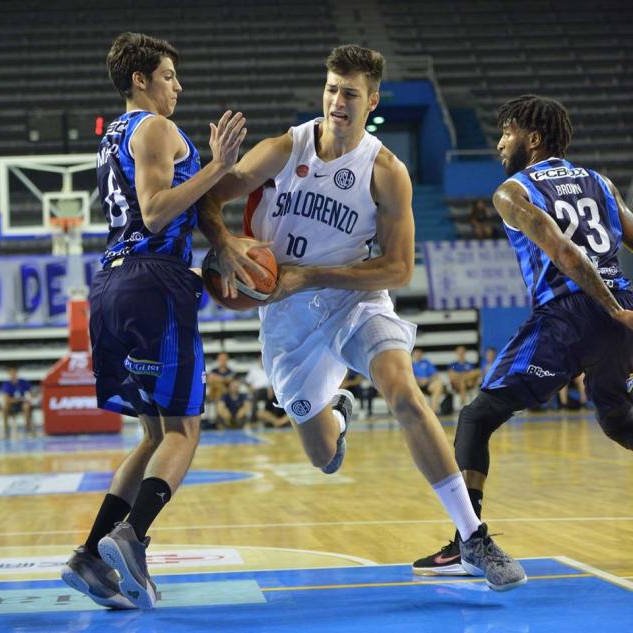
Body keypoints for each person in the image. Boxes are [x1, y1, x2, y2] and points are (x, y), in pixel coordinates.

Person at [201, 44, 526, 591]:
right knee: (323, 458)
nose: (337, 101)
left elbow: (398, 269)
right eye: (331, 89)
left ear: (371, 99)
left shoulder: (385, 171)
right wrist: (227, 243)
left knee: (403, 390)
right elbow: (209, 198)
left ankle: (473, 536)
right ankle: (340, 415)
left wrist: (311, 275)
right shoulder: (286, 147)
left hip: (354, 299)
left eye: (350, 93)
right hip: (286, 319)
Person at [60, 32, 264, 610]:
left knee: (152, 433)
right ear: (140, 81)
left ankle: (90, 555)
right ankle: (133, 534)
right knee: (183, 431)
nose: (178, 86)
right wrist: (219, 166)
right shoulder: (153, 127)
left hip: (112, 285)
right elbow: (153, 213)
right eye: (170, 75)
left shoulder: (112, 138)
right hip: (155, 280)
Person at [413, 94, 633, 576]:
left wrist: (610, 308)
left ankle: (466, 542)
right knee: (617, 421)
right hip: (621, 317)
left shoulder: (514, 190)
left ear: (532, 139)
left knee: (477, 416)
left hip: (570, 315)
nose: (498, 144)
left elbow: (565, 255)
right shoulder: (600, 182)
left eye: (506, 133)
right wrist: (622, 308)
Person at [0, 365, 34, 438]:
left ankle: (28, 430)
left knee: (26, 406)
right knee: (4, 407)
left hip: (22, 405)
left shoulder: (23, 382)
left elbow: (30, 394)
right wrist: (18, 399)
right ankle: (6, 430)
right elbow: (6, 398)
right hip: (12, 406)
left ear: (16, 373)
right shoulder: (6, 384)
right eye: (11, 373)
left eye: (14, 373)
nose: (13, 375)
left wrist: (27, 398)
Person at [411, 348, 445, 413]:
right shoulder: (410, 364)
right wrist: (419, 380)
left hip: (428, 384)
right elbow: (409, 377)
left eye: (419, 353)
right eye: (416, 353)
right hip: (416, 385)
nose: (418, 355)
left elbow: (435, 375)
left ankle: (433, 411)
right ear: (413, 355)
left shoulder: (426, 362)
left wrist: (427, 380)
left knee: (439, 384)